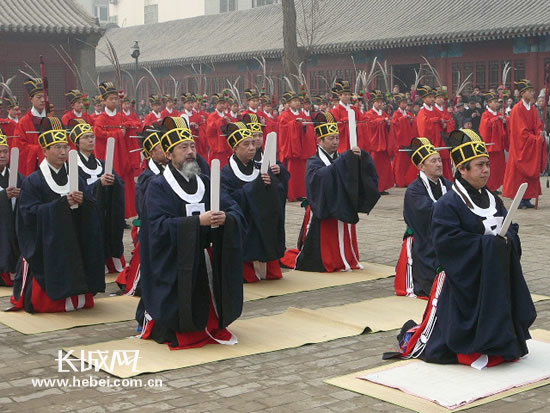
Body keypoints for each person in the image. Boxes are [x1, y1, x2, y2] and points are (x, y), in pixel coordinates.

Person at [387, 129, 536, 369]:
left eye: (487, 164)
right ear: (462, 170)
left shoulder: (491, 197)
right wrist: (489, 244)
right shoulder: (449, 203)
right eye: (479, 166)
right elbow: (448, 242)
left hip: (491, 275)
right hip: (462, 278)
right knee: (439, 343)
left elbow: (509, 225)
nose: (486, 170)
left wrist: (508, 238)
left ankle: (500, 344)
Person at [138, 116, 245, 349]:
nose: (190, 152)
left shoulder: (205, 181)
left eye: (193, 146)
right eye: (182, 147)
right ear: (168, 155)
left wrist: (226, 218)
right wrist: (197, 222)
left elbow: (234, 209)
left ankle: (211, 322)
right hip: (175, 261)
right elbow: (157, 227)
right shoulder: (158, 186)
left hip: (205, 258)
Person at [11, 117, 105, 313]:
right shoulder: (33, 181)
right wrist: (60, 206)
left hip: (74, 237)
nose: (63, 152)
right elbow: (28, 214)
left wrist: (83, 201)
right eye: (57, 148)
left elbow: (92, 204)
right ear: (45, 151)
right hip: (48, 242)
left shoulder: (75, 176)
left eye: (65, 147)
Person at [281, 112, 380, 272]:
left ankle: (346, 258)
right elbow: (319, 178)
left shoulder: (341, 157)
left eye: (337, 138)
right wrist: (344, 161)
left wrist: (361, 159)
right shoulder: (314, 161)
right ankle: (330, 260)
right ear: (320, 140)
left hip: (342, 205)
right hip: (323, 208)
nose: (335, 142)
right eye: (330, 139)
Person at [221, 121, 289, 282]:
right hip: (244, 225)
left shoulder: (260, 168)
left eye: (253, 143)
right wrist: (254, 188)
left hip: (263, 222)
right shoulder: (226, 173)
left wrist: (271, 184)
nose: (252, 147)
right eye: (246, 144)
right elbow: (227, 201)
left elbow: (278, 194)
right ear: (235, 148)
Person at [394, 138, 452, 298]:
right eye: (433, 161)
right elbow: (427, 214)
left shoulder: (447, 184)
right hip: (424, 240)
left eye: (439, 160)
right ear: (421, 167)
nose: (439, 164)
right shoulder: (414, 190)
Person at [68, 119, 126, 275]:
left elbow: (120, 182)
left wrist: (113, 182)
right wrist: (98, 184)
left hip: (104, 212)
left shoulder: (102, 163)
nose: (91, 140)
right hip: (85, 214)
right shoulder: (72, 166)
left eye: (92, 136)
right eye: (86, 137)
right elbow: (76, 190)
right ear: (77, 143)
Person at [93, 81, 137, 218]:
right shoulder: (101, 119)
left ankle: (123, 213)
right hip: (109, 157)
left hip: (122, 156)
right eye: (110, 99)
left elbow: (136, 124)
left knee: (123, 185)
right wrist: (117, 133)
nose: (114, 101)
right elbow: (98, 133)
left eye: (115, 99)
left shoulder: (121, 117)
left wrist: (127, 126)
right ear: (104, 101)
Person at [503, 79, 546, 209]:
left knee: (531, 172)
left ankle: (527, 198)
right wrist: (535, 138)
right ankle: (519, 199)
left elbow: (537, 125)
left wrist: (540, 133)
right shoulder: (517, 109)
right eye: (529, 91)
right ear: (522, 93)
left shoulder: (532, 109)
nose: (532, 93)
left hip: (531, 143)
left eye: (532, 91)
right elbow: (520, 132)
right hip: (521, 146)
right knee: (520, 173)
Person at [278, 91, 313, 201]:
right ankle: (292, 194)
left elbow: (309, 127)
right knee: (292, 171)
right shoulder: (285, 115)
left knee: (302, 171)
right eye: (294, 101)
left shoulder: (302, 114)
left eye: (298, 101)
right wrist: (294, 124)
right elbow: (283, 129)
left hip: (302, 147)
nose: (297, 103)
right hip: (292, 148)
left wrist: (303, 126)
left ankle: (302, 193)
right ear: (289, 103)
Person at [0, 128, 22, 286]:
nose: (2, 155)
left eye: (5, 152)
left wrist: (21, 195)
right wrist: (3, 196)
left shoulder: (17, 176)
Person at [14, 78, 47, 176]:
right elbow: (20, 146)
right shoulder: (23, 122)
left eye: (44, 97)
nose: (42, 100)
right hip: (33, 166)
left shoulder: (51, 119)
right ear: (31, 99)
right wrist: (39, 150)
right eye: (39, 97)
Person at [364, 90, 394, 194]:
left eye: (381, 102)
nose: (380, 104)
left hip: (384, 143)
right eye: (378, 101)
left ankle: (383, 187)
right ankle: (375, 187)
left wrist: (389, 123)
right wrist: (382, 121)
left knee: (384, 167)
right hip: (376, 144)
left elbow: (389, 125)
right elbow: (370, 125)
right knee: (375, 166)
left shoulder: (384, 113)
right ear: (373, 102)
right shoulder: (368, 114)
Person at [479, 92, 508, 193]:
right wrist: (496, 120)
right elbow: (485, 126)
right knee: (490, 168)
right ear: (489, 103)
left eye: (497, 102)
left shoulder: (500, 114)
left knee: (498, 168)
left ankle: (495, 187)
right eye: (494, 102)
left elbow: (505, 127)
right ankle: (489, 187)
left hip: (499, 145)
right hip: (490, 146)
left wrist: (505, 122)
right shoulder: (485, 114)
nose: (497, 104)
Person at [390, 93, 418, 187]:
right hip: (400, 142)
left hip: (408, 140)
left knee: (407, 163)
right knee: (400, 164)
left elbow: (414, 122)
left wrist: (410, 121)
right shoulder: (396, 114)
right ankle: (399, 181)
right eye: (403, 103)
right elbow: (395, 124)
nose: (405, 105)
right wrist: (403, 119)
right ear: (399, 104)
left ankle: (407, 180)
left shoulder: (409, 113)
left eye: (405, 103)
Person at [330, 79, 363, 152]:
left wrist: (357, 125)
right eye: (345, 95)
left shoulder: (354, 109)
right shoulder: (335, 111)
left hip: (355, 143)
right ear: (339, 95)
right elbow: (335, 128)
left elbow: (363, 121)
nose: (347, 97)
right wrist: (347, 121)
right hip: (342, 144)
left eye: (349, 94)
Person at [206, 93, 232, 167]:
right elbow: (210, 131)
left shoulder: (227, 116)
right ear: (215, 105)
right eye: (220, 103)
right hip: (217, 147)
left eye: (223, 103)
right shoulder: (212, 116)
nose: (222, 105)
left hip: (226, 146)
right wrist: (220, 120)